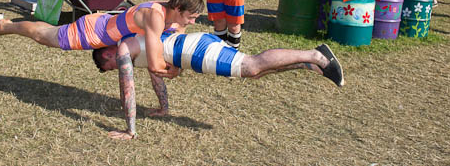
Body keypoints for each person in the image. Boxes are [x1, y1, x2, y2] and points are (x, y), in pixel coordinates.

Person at [93, 32, 344, 140]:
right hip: (191, 49)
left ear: (107, 55)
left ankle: (315, 55)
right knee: (254, 74)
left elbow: (128, 90)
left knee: (251, 65)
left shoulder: (126, 49)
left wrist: (130, 130)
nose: (116, 70)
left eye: (110, 68)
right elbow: (156, 76)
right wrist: (163, 108)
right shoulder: (137, 49)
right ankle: (310, 66)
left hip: (192, 51)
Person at [0, 0, 205, 83]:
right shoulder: (155, 17)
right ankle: (6, 26)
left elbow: (175, 47)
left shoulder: (175, 18)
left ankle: (7, 25)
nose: (193, 22)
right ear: (177, 8)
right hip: (93, 33)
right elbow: (156, 64)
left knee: (49, 33)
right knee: (45, 36)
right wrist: (174, 70)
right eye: (191, 17)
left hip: (103, 24)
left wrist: (177, 64)